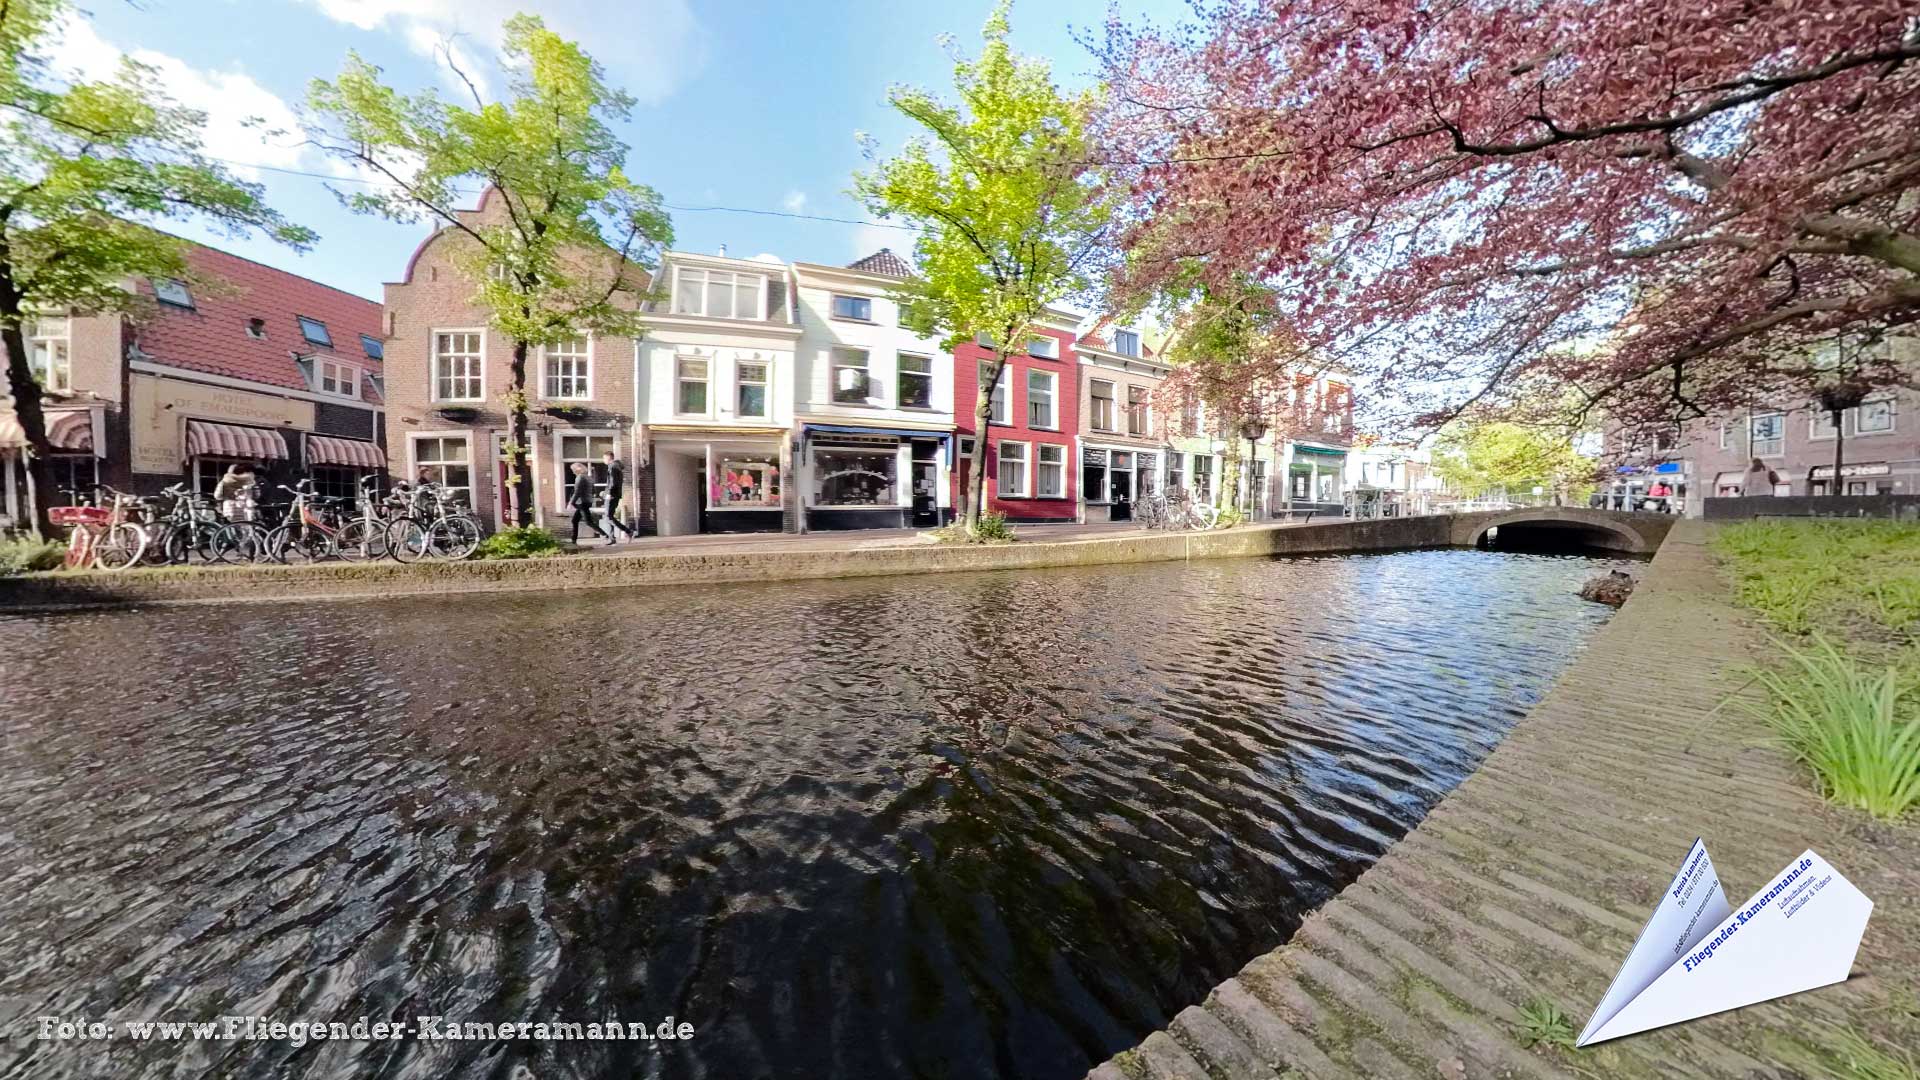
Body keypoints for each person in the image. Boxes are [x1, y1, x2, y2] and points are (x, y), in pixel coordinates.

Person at [568, 461, 610, 545]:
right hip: (587, 501)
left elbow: (577, 492)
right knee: (575, 520)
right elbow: (594, 491)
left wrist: (570, 502)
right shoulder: (589, 477)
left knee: (588, 521)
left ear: (577, 469)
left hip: (582, 502)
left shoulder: (580, 478)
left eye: (573, 469)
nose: (572, 471)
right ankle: (573, 540)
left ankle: (605, 535)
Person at [600, 450, 635, 540]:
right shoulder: (616, 466)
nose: (603, 460)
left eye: (604, 458)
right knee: (609, 516)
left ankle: (628, 531)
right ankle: (612, 538)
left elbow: (612, 482)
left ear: (608, 457)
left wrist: (609, 493)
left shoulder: (612, 467)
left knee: (608, 517)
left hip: (612, 495)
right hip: (616, 494)